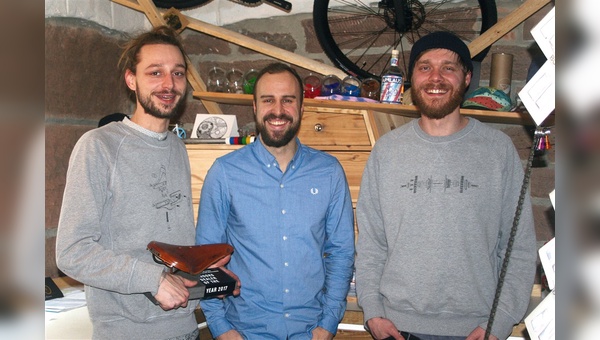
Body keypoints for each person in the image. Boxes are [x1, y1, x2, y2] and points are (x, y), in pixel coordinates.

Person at [56, 26, 236, 340]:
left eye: (177, 73)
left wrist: (205, 271)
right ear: (131, 79)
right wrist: (154, 280)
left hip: (184, 328)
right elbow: (72, 252)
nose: (169, 84)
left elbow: (159, 242)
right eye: (155, 72)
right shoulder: (99, 145)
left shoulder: (176, 147)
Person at [355, 31, 538, 340]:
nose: (435, 77)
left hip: (476, 329)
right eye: (425, 67)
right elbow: (371, 243)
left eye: (448, 67)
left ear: (466, 77)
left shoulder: (498, 150)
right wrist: (372, 310)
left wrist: (502, 320)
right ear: (412, 77)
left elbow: (518, 247)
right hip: (397, 328)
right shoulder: (387, 151)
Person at [195, 62, 356, 339]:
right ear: (255, 107)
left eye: (288, 100)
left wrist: (328, 324)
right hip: (245, 331)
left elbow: (341, 253)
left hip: (310, 331)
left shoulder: (329, 172)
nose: (278, 110)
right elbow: (204, 259)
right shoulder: (225, 173)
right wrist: (221, 329)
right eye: (268, 100)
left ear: (302, 108)